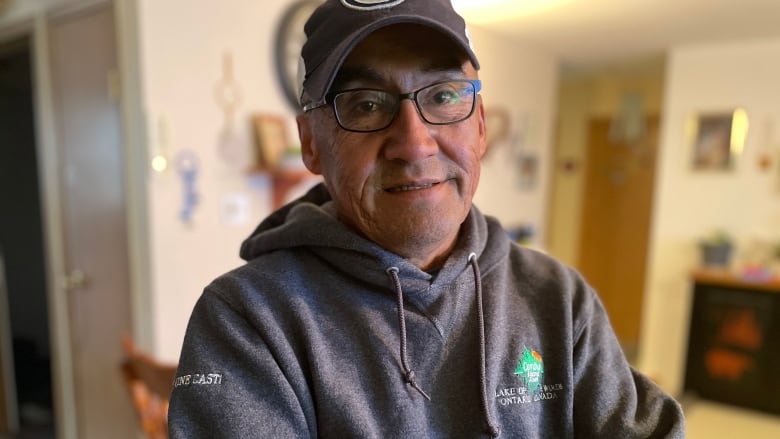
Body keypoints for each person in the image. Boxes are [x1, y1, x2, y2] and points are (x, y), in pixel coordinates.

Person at [168, 0, 686, 437]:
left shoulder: (558, 300)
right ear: (311, 145)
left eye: (442, 96)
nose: (414, 143)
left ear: (480, 126)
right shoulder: (246, 321)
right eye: (366, 104)